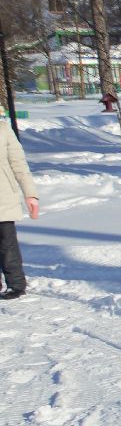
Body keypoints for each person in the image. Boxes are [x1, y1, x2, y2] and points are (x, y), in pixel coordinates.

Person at [0, 117, 40, 301]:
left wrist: (30, 194)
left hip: (3, 195)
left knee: (7, 242)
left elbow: (19, 164)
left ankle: (15, 284)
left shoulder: (3, 129)